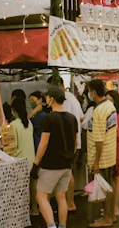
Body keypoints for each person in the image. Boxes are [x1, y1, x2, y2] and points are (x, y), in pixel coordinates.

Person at [31, 86, 78, 228]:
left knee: (41, 196)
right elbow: (76, 143)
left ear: (51, 99)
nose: (46, 99)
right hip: (66, 164)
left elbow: (44, 143)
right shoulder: (72, 118)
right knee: (61, 196)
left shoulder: (48, 119)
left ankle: (51, 226)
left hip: (51, 164)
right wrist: (70, 157)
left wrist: (35, 163)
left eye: (47, 97)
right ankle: (62, 225)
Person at [47, 75, 84, 213]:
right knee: (68, 172)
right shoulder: (71, 97)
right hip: (74, 141)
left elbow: (64, 120)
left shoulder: (66, 99)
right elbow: (81, 117)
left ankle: (70, 203)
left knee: (68, 173)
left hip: (69, 143)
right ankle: (69, 203)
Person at [87, 78, 118, 228]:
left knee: (105, 188)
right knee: (109, 186)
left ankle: (107, 218)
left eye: (89, 91)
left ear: (93, 92)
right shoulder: (110, 106)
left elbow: (99, 139)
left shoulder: (99, 110)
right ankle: (110, 215)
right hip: (110, 153)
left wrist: (96, 161)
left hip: (103, 155)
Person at [106, 90, 119, 218]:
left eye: (110, 100)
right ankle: (111, 207)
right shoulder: (113, 115)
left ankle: (115, 207)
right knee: (113, 177)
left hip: (115, 149)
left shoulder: (117, 116)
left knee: (117, 177)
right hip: (112, 148)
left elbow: (115, 135)